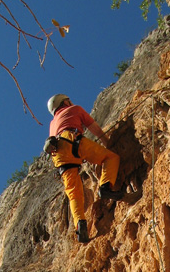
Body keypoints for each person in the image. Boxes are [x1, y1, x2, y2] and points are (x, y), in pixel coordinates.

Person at [45, 93, 125, 243]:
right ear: (66, 101)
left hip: (58, 156)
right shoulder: (74, 109)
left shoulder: (52, 124)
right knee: (111, 158)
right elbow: (94, 128)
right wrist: (108, 143)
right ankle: (105, 187)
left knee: (73, 193)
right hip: (72, 140)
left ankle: (80, 224)